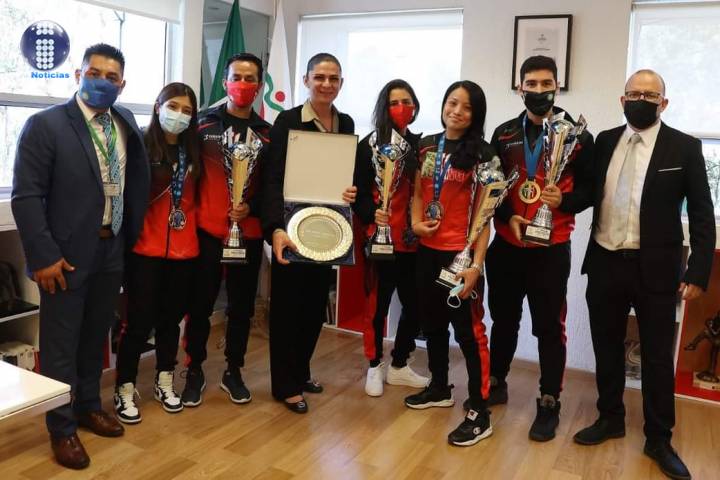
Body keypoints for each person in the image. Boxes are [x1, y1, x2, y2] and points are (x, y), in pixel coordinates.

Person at [11, 43, 150, 469]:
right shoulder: (45, 125)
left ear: (122, 84)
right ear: (78, 75)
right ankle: (61, 427)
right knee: (61, 346)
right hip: (64, 257)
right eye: (94, 73)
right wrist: (43, 257)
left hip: (112, 248)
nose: (102, 82)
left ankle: (89, 405)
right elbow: (26, 197)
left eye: (111, 77)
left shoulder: (125, 122)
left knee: (95, 337)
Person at [573, 70, 716, 480]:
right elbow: (587, 192)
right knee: (606, 346)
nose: (641, 100)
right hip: (605, 261)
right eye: (634, 93)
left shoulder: (684, 147)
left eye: (650, 95)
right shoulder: (604, 141)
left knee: (656, 355)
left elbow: (702, 214)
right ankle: (610, 417)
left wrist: (698, 271)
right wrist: (558, 201)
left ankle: (658, 437)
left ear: (663, 103)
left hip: (656, 269)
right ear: (622, 100)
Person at [485, 55, 594, 441]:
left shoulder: (578, 137)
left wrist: (563, 201)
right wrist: (508, 216)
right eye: (531, 84)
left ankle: (549, 400)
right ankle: (496, 381)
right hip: (507, 244)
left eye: (546, 84)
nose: (538, 90)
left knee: (549, 326)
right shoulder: (503, 134)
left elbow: (590, 190)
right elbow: (493, 187)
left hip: (551, 247)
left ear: (557, 87)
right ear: (520, 88)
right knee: (503, 319)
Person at [261, 52, 356, 414]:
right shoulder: (287, 121)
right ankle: (285, 386)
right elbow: (272, 179)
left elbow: (344, 175)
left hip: (328, 229)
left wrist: (351, 191)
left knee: (315, 308)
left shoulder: (345, 123)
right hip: (292, 227)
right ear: (306, 80)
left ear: (341, 83)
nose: (326, 84)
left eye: (333, 78)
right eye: (319, 77)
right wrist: (275, 229)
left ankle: (300, 372)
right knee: (288, 308)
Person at [403, 80, 496, 447]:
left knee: (470, 334)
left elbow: (485, 216)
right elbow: (417, 192)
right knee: (433, 324)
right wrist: (415, 223)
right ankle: (440, 387)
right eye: (452, 103)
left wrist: (475, 265)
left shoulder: (484, 154)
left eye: (466, 107)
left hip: (461, 257)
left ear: (476, 115)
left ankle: (480, 411)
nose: (456, 111)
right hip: (428, 251)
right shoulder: (426, 145)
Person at [181, 53, 271, 407]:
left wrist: (253, 207)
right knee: (199, 305)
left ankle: (234, 370)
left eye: (250, 79)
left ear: (259, 86)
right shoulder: (202, 125)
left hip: (248, 234)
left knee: (241, 308)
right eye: (237, 77)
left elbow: (273, 185)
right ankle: (194, 369)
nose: (243, 85)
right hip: (206, 231)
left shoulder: (268, 134)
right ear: (225, 82)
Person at [113, 82, 201, 423]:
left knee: (170, 322)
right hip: (145, 250)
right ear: (157, 106)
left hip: (184, 251)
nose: (179, 115)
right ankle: (124, 387)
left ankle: (165, 379)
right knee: (137, 324)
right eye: (173, 107)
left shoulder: (193, 152)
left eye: (187, 110)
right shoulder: (139, 145)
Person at [352, 79, 429, 397]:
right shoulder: (367, 146)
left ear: (415, 107)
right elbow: (358, 193)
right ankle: (374, 365)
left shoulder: (422, 147)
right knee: (377, 307)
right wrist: (373, 213)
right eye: (394, 102)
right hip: (380, 240)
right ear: (384, 107)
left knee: (416, 305)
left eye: (407, 102)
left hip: (414, 241)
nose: (401, 108)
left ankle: (399, 364)